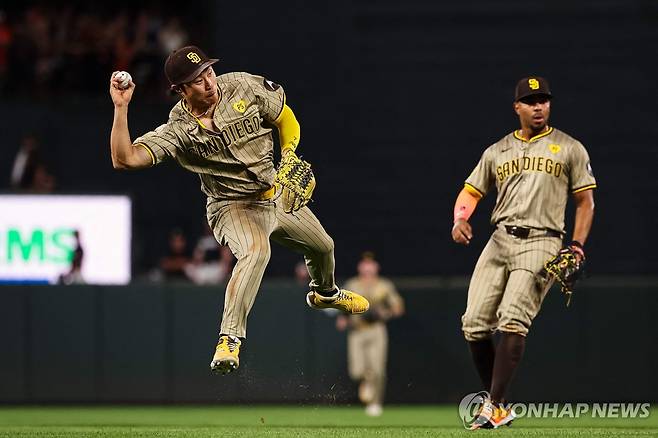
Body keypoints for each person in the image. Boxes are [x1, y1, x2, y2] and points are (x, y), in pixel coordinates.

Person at [108, 45, 369, 375]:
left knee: (324, 246)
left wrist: (288, 155)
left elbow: (284, 116)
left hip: (274, 192)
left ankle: (325, 294)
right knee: (257, 251)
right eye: (196, 79)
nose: (208, 80)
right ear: (180, 90)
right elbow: (125, 159)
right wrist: (121, 108)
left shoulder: (242, 86)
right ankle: (229, 338)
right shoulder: (178, 130)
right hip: (232, 206)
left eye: (207, 71)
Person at [451, 77, 596, 429]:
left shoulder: (569, 147)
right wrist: (460, 218)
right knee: (473, 324)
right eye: (530, 101)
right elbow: (471, 190)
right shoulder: (497, 151)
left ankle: (494, 405)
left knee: (513, 318)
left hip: (543, 240)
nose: (538, 107)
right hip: (499, 239)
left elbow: (585, 201)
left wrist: (576, 246)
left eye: (543, 100)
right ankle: (498, 404)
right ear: (517, 107)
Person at [336, 252, 404, 417]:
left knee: (378, 369)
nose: (367, 267)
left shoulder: (384, 285)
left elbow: (398, 307)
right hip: (357, 329)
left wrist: (386, 313)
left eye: (370, 264)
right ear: (360, 267)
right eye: (364, 264)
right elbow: (343, 304)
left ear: (376, 267)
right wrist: (342, 318)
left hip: (376, 330)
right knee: (356, 371)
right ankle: (366, 381)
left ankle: (375, 403)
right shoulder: (353, 284)